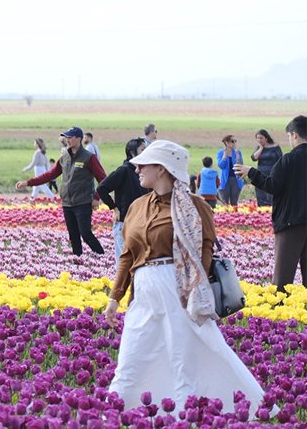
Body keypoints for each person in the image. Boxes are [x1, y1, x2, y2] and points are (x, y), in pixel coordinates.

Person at [104, 140, 264, 414]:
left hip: (178, 288)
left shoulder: (194, 206)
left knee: (183, 357)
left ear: (162, 169)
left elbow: (205, 250)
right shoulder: (137, 207)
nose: (137, 169)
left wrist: (194, 289)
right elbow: (127, 256)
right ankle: (116, 411)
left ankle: (186, 415)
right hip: (144, 290)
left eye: (144, 164)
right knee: (131, 354)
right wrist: (114, 297)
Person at [236, 115, 307, 293]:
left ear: (294, 135)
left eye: (289, 136)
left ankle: (280, 311)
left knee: (282, 280)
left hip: (291, 223)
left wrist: (251, 172)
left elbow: (272, 186)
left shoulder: (288, 160)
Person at [17, 127, 107, 256]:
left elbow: (103, 179)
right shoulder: (64, 157)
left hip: (83, 202)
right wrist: (28, 182)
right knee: (73, 236)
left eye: (70, 137)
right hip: (67, 203)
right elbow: (50, 175)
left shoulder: (89, 157)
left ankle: (102, 257)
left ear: (79, 139)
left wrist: (97, 197)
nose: (67, 140)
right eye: (66, 137)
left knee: (85, 234)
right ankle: (78, 260)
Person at [96, 137, 149, 260]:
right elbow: (102, 188)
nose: (146, 152)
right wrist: (114, 208)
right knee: (124, 262)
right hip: (124, 223)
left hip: (141, 223)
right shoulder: (124, 170)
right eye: (142, 149)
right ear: (132, 152)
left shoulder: (145, 172)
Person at [250, 129, 283, 208]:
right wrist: (261, 148)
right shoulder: (259, 147)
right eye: (257, 138)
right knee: (261, 193)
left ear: (266, 138)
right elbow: (254, 158)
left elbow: (280, 159)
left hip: (272, 173)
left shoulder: (275, 146)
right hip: (261, 173)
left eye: (261, 138)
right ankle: (262, 211)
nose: (259, 140)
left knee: (271, 193)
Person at [215, 135, 243, 207]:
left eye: (235, 141)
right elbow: (221, 166)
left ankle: (235, 214)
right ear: (226, 142)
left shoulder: (237, 152)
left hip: (236, 180)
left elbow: (240, 165)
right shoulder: (220, 152)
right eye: (232, 141)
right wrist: (225, 155)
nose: (234, 143)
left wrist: (237, 155)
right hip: (225, 180)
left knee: (234, 202)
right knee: (225, 202)